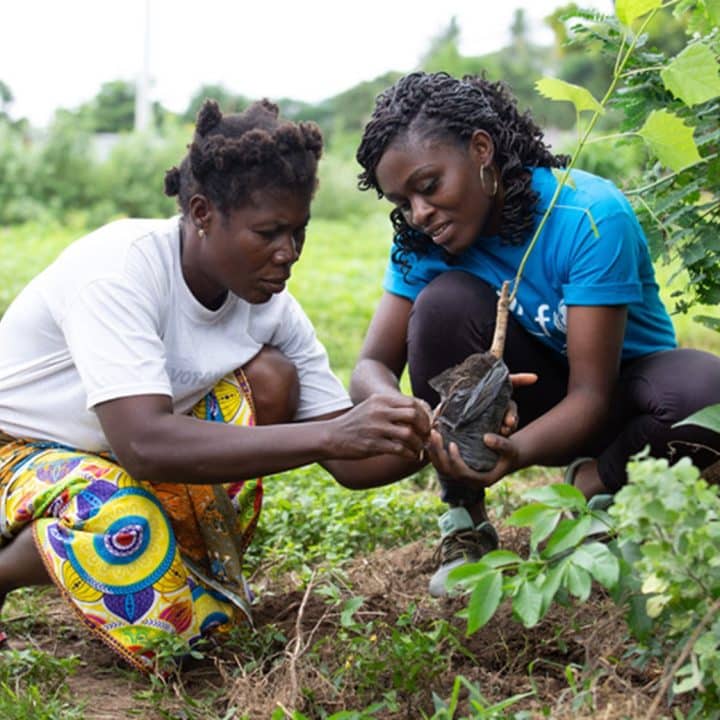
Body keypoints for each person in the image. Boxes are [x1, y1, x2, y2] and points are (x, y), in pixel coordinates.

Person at [0, 99, 431, 672]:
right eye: (268, 232)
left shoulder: (270, 303)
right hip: (17, 449)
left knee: (273, 378)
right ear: (202, 212)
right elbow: (144, 445)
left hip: (109, 455)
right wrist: (332, 438)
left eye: (298, 231)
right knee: (118, 514)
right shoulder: (120, 270)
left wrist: (437, 432)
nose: (289, 253)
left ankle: (183, 565)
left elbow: (352, 460)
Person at [350, 71, 720, 597]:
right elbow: (369, 367)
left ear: (482, 150)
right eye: (402, 203)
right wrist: (396, 405)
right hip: (529, 401)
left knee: (708, 397)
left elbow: (592, 394)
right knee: (444, 305)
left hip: (620, 404)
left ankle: (595, 483)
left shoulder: (588, 216)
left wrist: (515, 454)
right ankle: (464, 521)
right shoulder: (423, 240)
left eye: (429, 186)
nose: (420, 213)